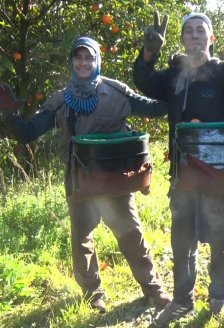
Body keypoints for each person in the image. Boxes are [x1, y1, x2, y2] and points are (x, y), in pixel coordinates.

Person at [0, 36, 172, 313]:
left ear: (97, 61)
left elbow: (158, 108)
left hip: (115, 180)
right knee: (82, 240)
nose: (83, 63)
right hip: (79, 181)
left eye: (89, 57)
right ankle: (93, 296)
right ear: (72, 62)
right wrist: (9, 113)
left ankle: (153, 289)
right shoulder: (61, 101)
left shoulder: (117, 93)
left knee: (131, 234)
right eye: (78, 58)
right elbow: (28, 133)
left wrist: (169, 73)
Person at [133, 12, 224, 327]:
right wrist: (149, 52)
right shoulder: (176, 74)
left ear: (211, 39)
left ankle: (219, 297)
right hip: (183, 173)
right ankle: (181, 301)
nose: (194, 36)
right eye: (188, 31)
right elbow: (144, 81)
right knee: (182, 238)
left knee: (220, 235)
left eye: (201, 31)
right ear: (181, 40)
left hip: (220, 173)